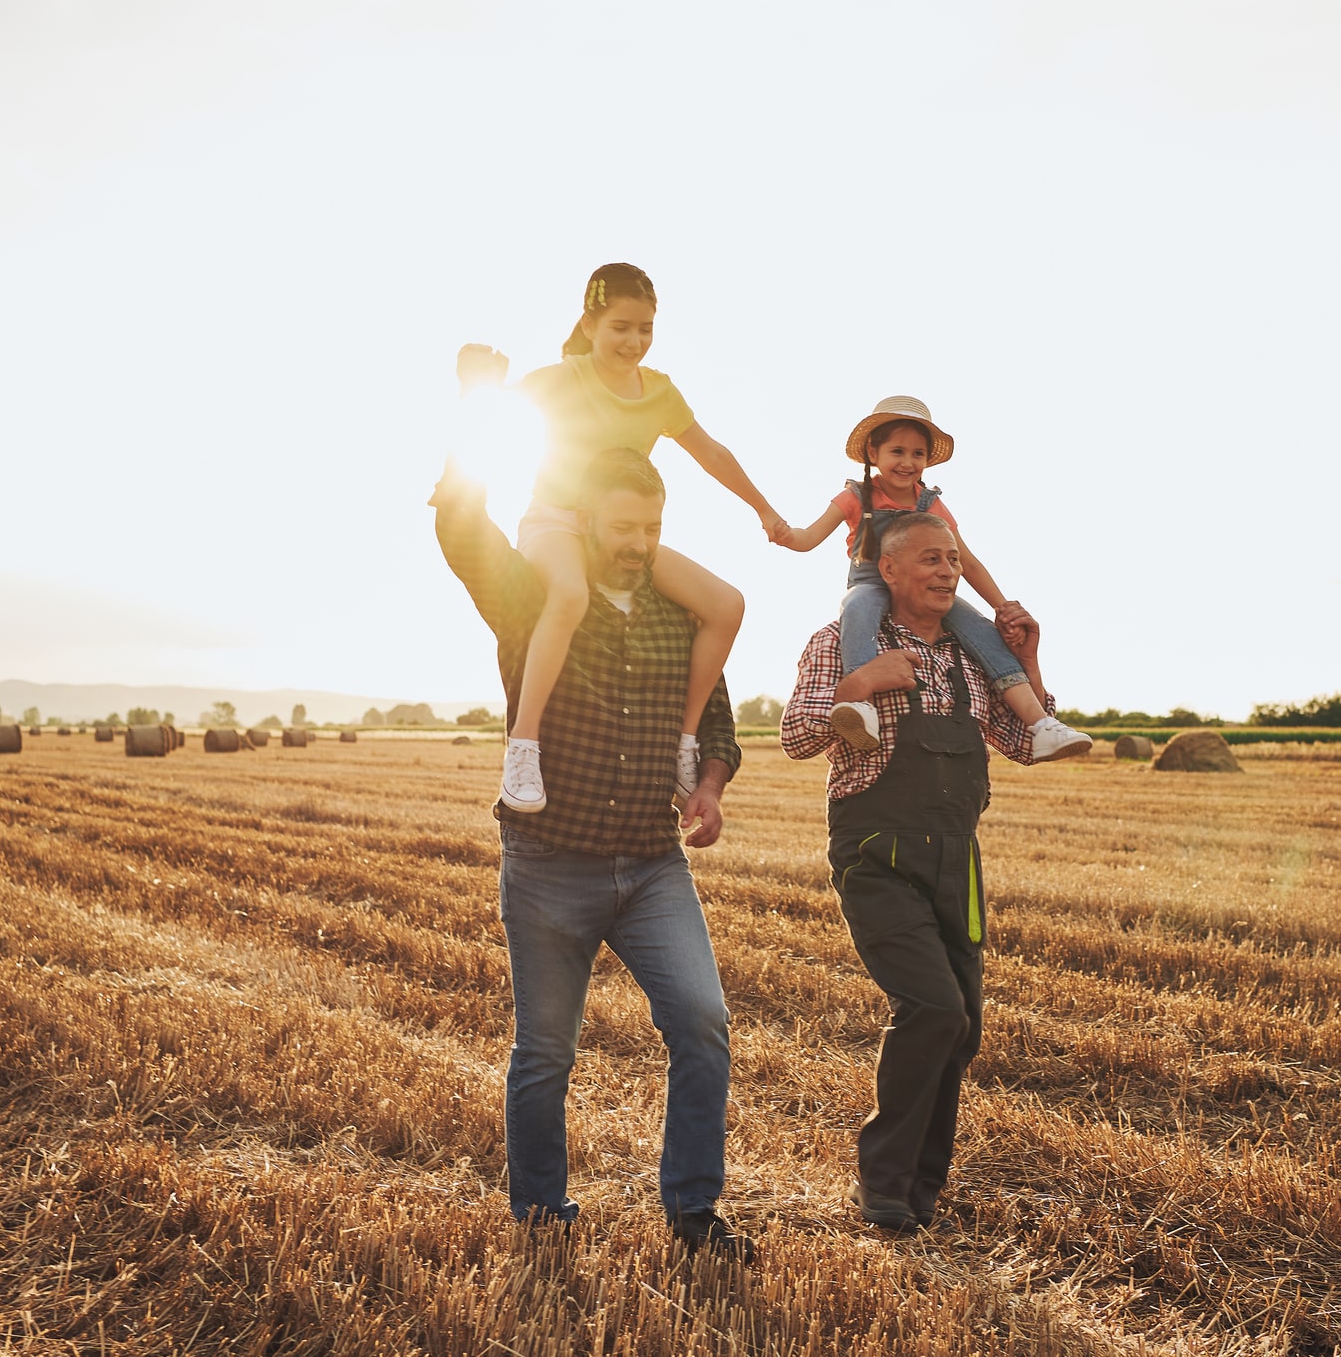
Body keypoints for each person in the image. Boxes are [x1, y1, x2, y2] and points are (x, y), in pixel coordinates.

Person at [430, 444, 753, 1260]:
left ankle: (692, 1211)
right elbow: (469, 542)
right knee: (545, 1050)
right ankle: (540, 1215)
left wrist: (710, 785)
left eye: (652, 527)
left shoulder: (681, 617)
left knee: (704, 1024)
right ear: (584, 519)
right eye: (623, 525)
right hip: (548, 864)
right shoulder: (533, 598)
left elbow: (716, 724)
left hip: (651, 864)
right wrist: (467, 444)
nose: (638, 543)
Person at [780, 510, 1058, 1233]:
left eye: (953, 561)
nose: (946, 571)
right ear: (889, 570)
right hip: (878, 852)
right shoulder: (842, 641)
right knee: (932, 1009)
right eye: (930, 559)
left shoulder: (975, 656)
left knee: (959, 1029)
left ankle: (921, 1191)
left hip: (955, 858)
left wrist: (1028, 662)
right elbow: (797, 735)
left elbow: (1027, 746)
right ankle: (884, 1184)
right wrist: (862, 683)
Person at [456, 262, 789, 817]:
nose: (634, 341)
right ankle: (524, 745)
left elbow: (713, 455)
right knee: (568, 596)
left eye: (646, 328)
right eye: (621, 327)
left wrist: (766, 512)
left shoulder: (659, 393)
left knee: (726, 605)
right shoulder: (563, 378)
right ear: (589, 324)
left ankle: (684, 745)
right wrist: (477, 384)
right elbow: (494, 413)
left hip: (624, 537)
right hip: (558, 523)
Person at [776, 395, 1090, 762]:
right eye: (898, 451)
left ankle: (1040, 725)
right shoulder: (855, 496)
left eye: (918, 454)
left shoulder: (932, 504)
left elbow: (967, 562)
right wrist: (786, 534)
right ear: (873, 453)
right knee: (856, 608)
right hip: (870, 582)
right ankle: (860, 706)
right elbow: (809, 537)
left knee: (984, 631)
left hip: (928, 591)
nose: (908, 462)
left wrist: (1002, 607)